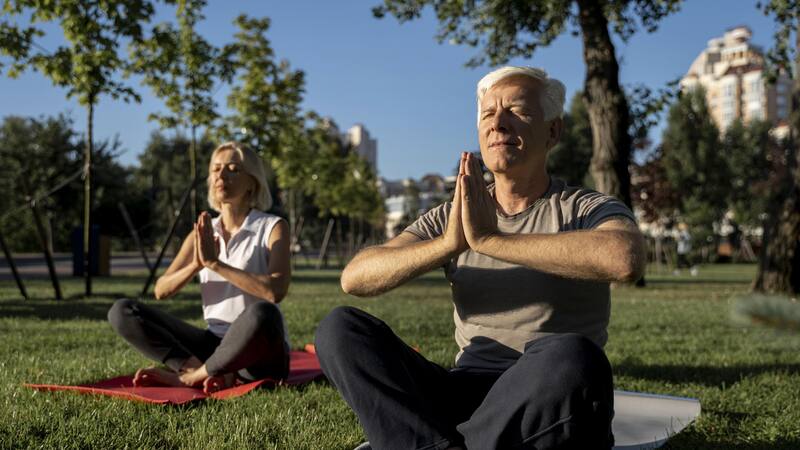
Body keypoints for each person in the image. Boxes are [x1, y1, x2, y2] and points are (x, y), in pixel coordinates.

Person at [315, 66, 646, 450]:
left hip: (546, 392)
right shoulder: (455, 214)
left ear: (553, 131)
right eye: (488, 114)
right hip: (465, 393)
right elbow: (355, 278)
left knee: (573, 354)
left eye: (517, 112)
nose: (498, 125)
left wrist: (489, 240)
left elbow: (624, 258)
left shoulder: (584, 207)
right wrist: (447, 244)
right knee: (340, 328)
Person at [108, 142, 291, 393]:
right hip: (213, 343)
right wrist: (196, 264)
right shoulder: (203, 234)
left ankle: (193, 377)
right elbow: (161, 289)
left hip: (259, 353)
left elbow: (275, 291)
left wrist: (216, 264)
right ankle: (196, 368)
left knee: (263, 313)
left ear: (253, 182)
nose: (221, 176)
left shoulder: (272, 227)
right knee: (122, 311)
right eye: (215, 169)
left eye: (233, 169)